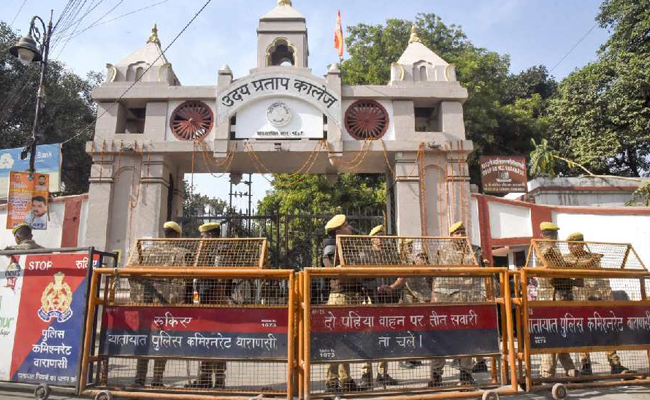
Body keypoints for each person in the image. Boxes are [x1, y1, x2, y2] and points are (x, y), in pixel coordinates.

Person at [564, 232, 631, 376]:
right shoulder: (565, 259)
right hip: (579, 302)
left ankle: (615, 364)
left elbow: (602, 279)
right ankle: (586, 365)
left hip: (597, 301)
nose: (571, 247)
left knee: (605, 331)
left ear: (582, 244)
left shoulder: (593, 258)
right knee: (583, 333)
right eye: (570, 244)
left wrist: (608, 298)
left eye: (575, 243)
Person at [131, 221, 189, 387]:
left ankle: (139, 379)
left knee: (144, 342)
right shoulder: (182, 253)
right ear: (177, 235)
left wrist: (139, 297)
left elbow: (131, 274)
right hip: (168, 308)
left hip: (146, 308)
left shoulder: (146, 252)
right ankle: (157, 379)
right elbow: (188, 281)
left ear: (164, 234)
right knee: (162, 342)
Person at [429, 221, 484, 387]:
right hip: (445, 301)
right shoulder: (443, 251)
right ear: (451, 236)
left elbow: (481, 272)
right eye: (457, 233)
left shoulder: (475, 250)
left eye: (463, 232)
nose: (460, 236)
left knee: (466, 339)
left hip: (468, 301)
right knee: (440, 339)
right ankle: (436, 375)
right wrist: (434, 298)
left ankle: (466, 374)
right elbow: (436, 277)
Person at [322, 214, 364, 393]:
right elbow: (330, 268)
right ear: (339, 230)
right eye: (347, 225)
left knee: (345, 341)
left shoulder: (346, 244)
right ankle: (333, 382)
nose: (350, 227)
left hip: (349, 296)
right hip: (340, 297)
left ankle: (345, 380)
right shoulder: (331, 245)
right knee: (337, 341)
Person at [535, 222, 580, 379]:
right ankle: (546, 373)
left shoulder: (548, 248)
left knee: (562, 333)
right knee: (552, 335)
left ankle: (570, 368)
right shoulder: (547, 249)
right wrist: (575, 267)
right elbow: (559, 269)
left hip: (558, 296)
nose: (554, 237)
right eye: (553, 235)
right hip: (553, 298)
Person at [187, 222, 230, 389]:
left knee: (218, 341)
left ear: (211, 236)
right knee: (204, 340)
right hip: (205, 302)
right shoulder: (204, 251)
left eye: (203, 236)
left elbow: (220, 277)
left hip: (217, 303)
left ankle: (219, 379)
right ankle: (204, 378)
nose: (201, 239)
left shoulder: (221, 250)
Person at [358, 225, 399, 389]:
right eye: (377, 236)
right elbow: (358, 276)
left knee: (384, 335)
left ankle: (382, 373)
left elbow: (402, 274)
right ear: (371, 239)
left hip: (386, 300)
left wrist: (392, 287)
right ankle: (365, 373)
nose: (380, 239)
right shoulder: (364, 254)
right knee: (368, 336)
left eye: (382, 235)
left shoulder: (391, 255)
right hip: (370, 299)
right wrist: (370, 288)